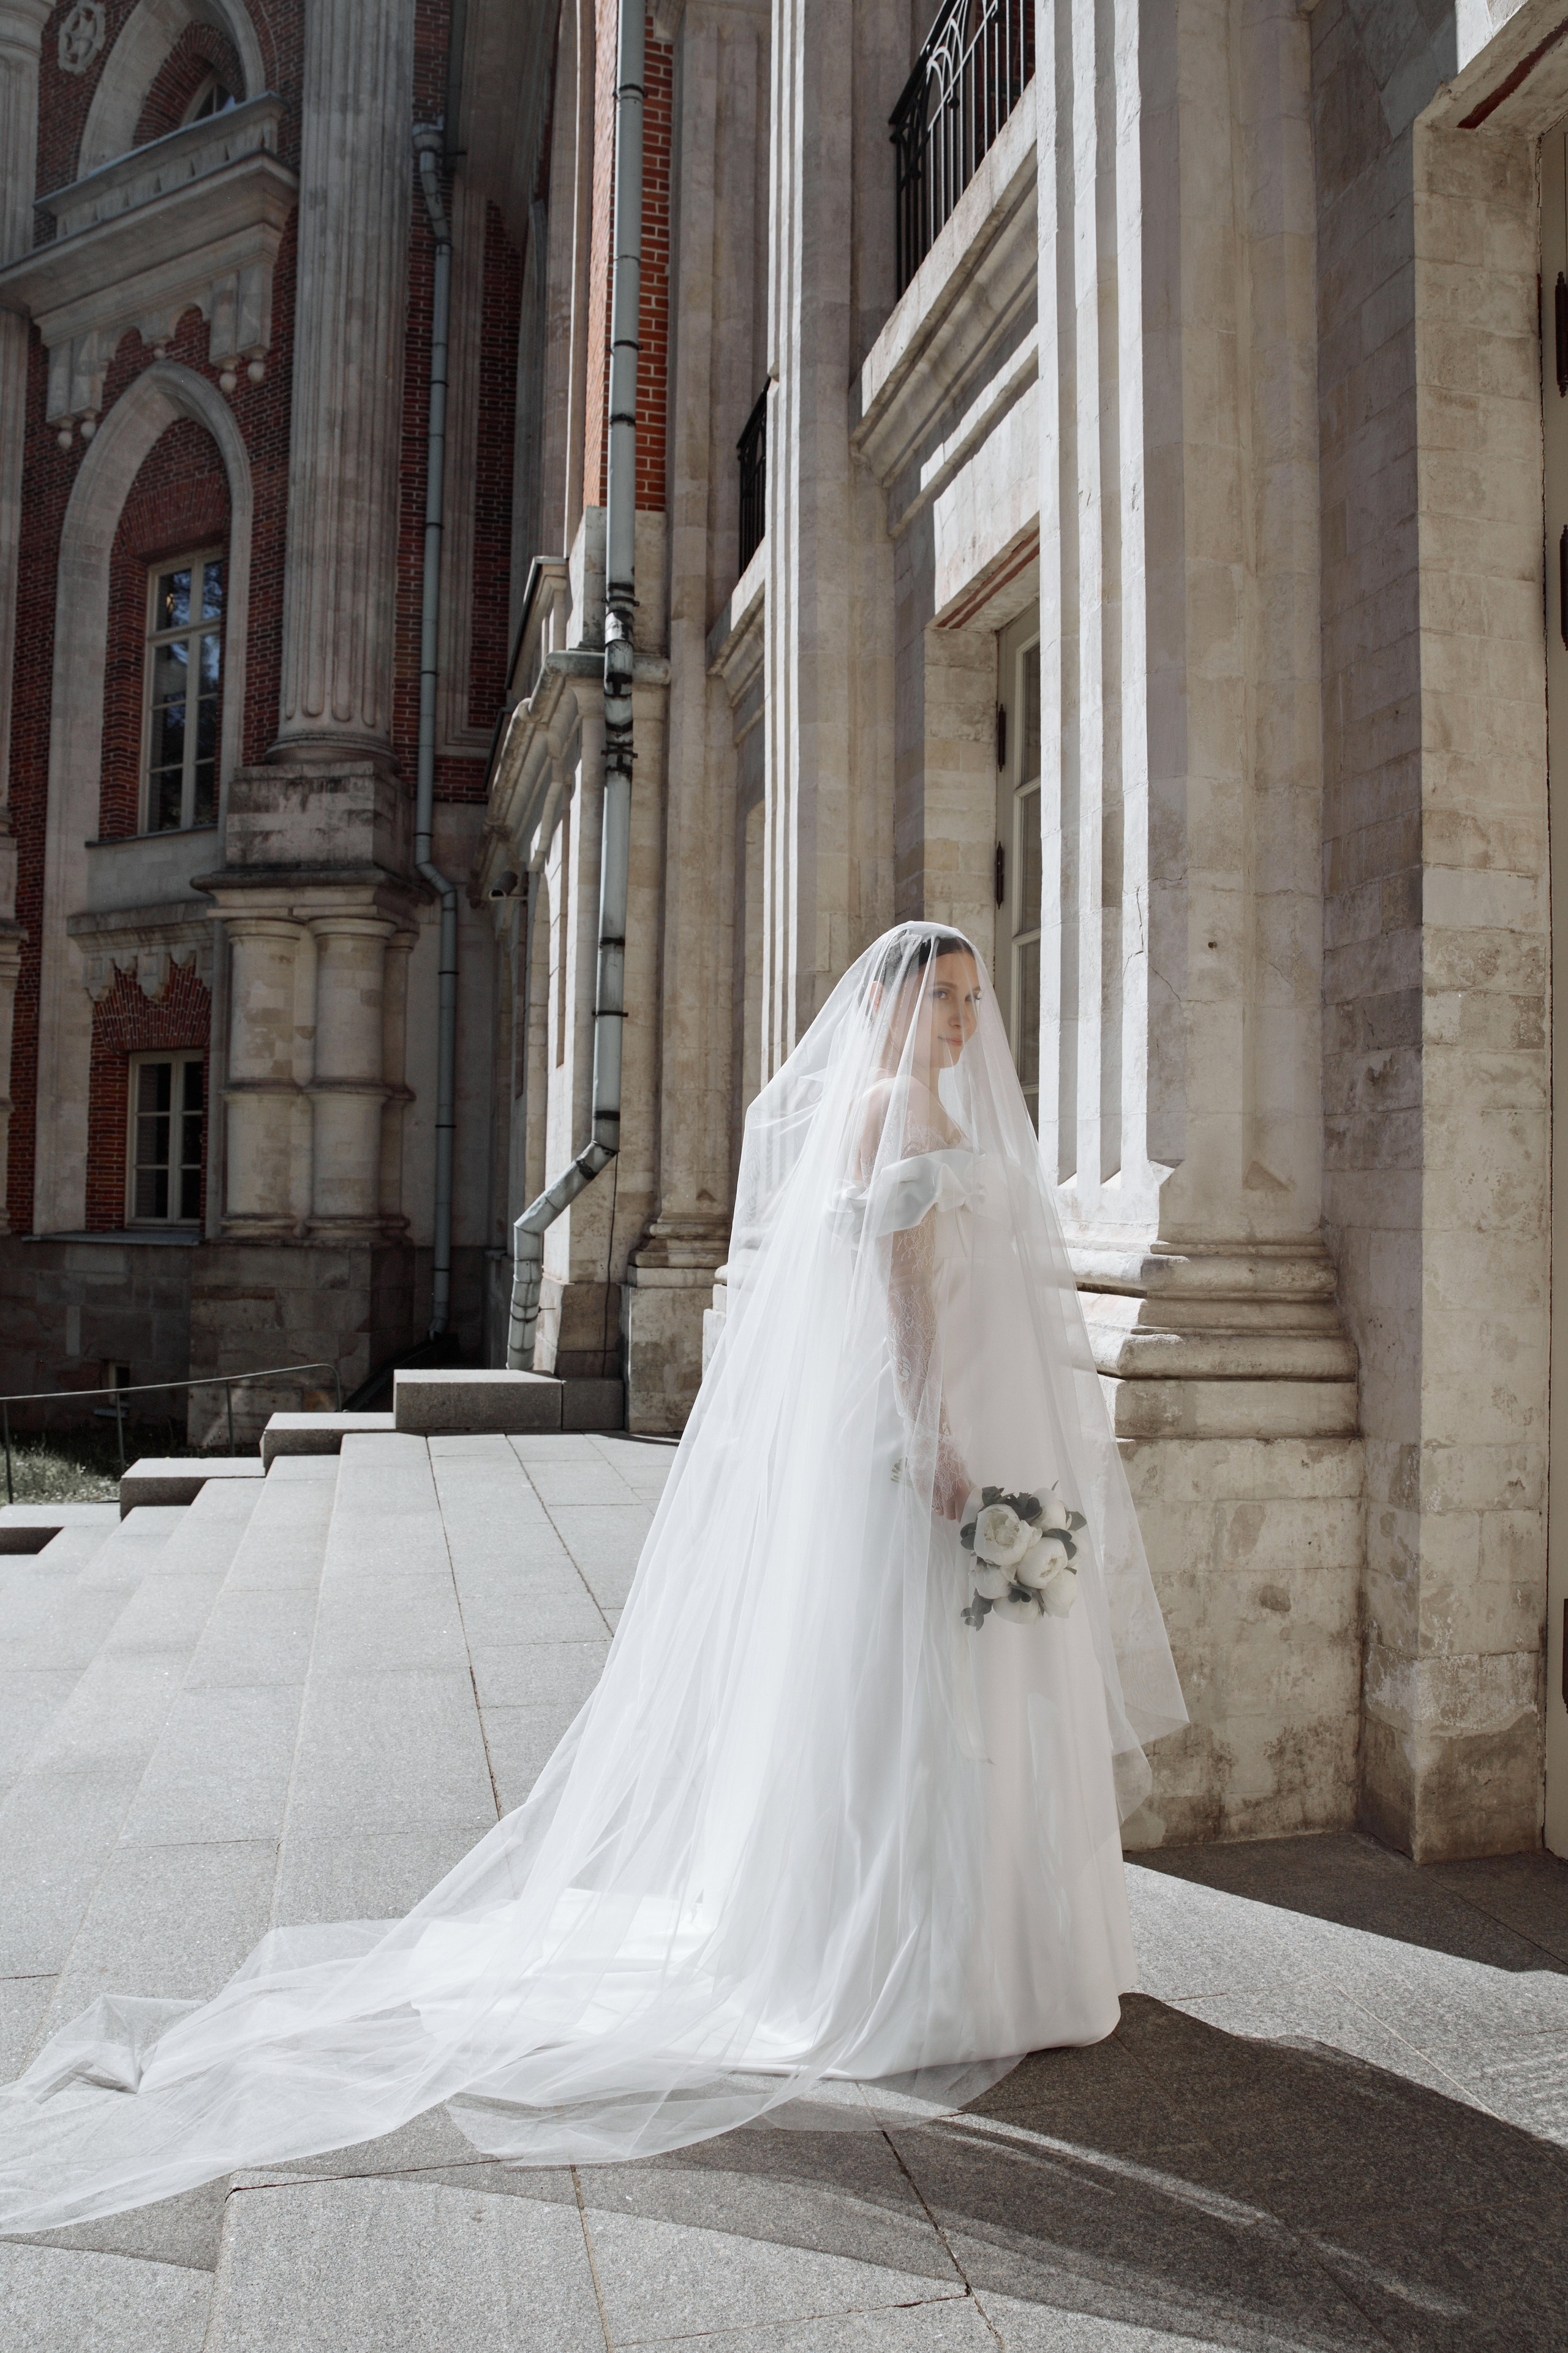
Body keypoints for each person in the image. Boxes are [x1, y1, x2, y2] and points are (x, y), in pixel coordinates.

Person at [0, 921, 1185, 2232]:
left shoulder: (901, 1106)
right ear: (890, 1009)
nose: (963, 1017)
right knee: (922, 1699)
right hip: (921, 1446)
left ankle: (918, 1939)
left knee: (910, 1697)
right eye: (941, 995)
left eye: (972, 995)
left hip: (919, 1438)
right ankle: (931, 1959)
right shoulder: (898, 1110)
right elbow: (901, 1306)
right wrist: (941, 1445)